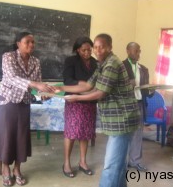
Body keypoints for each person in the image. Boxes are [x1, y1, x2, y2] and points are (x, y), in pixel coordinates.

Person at [56, 33, 140, 187]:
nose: (97, 50)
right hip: (118, 119)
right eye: (95, 47)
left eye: (102, 47)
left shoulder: (111, 64)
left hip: (123, 119)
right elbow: (88, 86)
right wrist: (59, 88)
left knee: (111, 166)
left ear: (110, 47)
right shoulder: (102, 64)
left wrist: (76, 98)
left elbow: (101, 92)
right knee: (118, 165)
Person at [0, 32, 56, 186]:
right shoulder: (8, 57)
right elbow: (12, 78)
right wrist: (35, 85)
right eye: (27, 42)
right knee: (7, 135)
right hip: (7, 101)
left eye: (33, 42)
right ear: (18, 43)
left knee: (21, 136)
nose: (31, 45)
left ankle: (17, 168)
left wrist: (43, 94)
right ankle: (6, 167)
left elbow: (38, 84)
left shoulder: (36, 61)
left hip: (24, 102)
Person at [62, 37, 98, 178]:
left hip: (90, 103)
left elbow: (98, 81)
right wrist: (84, 87)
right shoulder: (71, 61)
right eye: (84, 50)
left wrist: (90, 91)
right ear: (77, 50)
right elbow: (68, 80)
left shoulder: (95, 63)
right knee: (71, 133)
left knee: (85, 133)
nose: (87, 52)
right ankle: (66, 163)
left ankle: (83, 162)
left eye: (90, 49)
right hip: (74, 102)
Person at [123, 42, 149, 172]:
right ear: (128, 51)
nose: (139, 54)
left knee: (138, 133)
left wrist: (151, 90)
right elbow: (114, 86)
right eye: (136, 51)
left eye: (139, 51)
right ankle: (122, 162)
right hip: (124, 105)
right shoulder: (120, 66)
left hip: (138, 103)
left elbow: (146, 91)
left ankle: (135, 161)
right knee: (123, 133)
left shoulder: (144, 69)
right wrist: (129, 84)